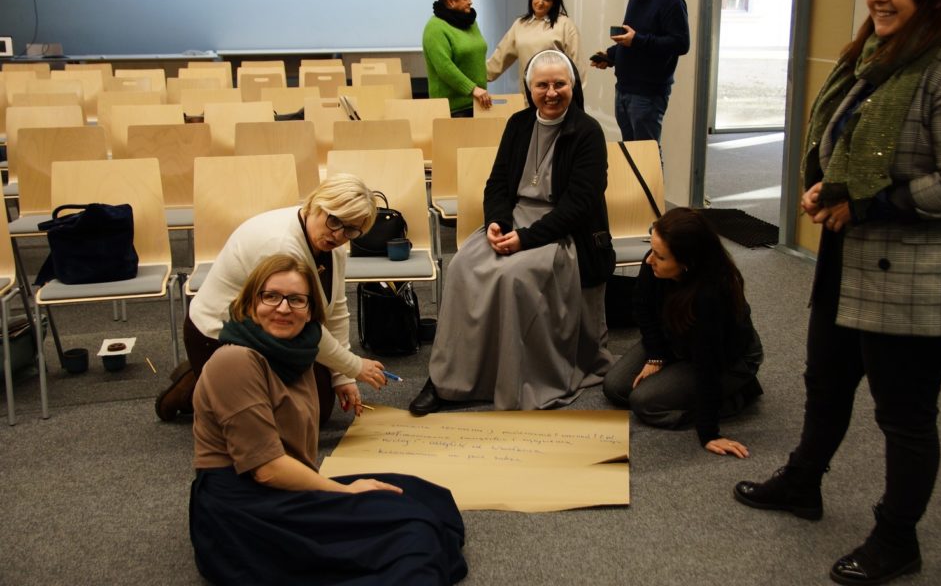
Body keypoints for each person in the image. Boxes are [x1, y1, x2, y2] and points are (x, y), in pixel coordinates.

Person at [733, 0, 941, 585]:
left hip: (915, 275)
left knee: (904, 416)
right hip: (849, 257)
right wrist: (826, 187)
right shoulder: (878, 56)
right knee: (826, 381)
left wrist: (864, 204)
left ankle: (897, 540)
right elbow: (844, 142)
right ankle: (803, 482)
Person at [189, 254, 468, 585]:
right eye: (271, 296)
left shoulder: (296, 352)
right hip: (244, 506)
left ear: (310, 311)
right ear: (251, 303)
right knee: (414, 534)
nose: (283, 308)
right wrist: (343, 492)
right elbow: (266, 469)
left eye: (296, 299)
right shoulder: (235, 361)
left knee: (426, 496)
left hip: (281, 483)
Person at [409, 49, 615, 415]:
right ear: (529, 89)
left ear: (573, 86)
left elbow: (579, 205)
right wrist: (497, 223)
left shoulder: (588, 132)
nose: (551, 93)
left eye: (560, 84)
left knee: (513, 275)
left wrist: (526, 239)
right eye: (542, 85)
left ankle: (511, 378)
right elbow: (498, 183)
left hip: (562, 232)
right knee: (462, 266)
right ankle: (447, 378)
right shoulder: (518, 124)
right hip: (514, 221)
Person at [155, 174, 389, 424]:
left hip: (277, 327)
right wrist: (353, 366)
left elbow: (336, 310)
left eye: (351, 230)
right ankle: (198, 383)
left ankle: (213, 380)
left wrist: (343, 377)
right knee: (282, 419)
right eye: (334, 221)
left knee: (317, 410)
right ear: (316, 204)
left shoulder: (333, 245)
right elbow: (303, 324)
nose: (339, 235)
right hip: (219, 335)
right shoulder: (281, 245)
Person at [603, 208, 763, 458]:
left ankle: (738, 394)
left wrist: (709, 432)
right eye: (652, 250)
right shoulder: (654, 262)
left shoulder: (711, 296)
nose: (649, 260)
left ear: (687, 264)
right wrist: (656, 356)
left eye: (660, 257)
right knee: (615, 388)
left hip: (726, 358)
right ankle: (675, 378)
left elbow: (708, 364)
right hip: (675, 337)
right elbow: (642, 307)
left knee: (644, 403)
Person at [589, 0, 690, 144]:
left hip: (647, 94)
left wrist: (637, 40)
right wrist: (610, 56)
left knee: (646, 154)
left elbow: (681, 43)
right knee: (630, 153)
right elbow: (633, 39)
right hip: (624, 89)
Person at [486, 0, 581, 83]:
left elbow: (577, 64)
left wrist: (577, 91)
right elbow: (499, 58)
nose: (540, 2)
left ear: (553, 3)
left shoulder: (565, 25)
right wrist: (474, 80)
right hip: (527, 91)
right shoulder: (520, 24)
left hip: (554, 91)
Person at [423, 0, 492, 117]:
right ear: (450, 2)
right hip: (452, 109)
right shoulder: (435, 28)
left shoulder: (470, 22)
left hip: (477, 103)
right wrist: (472, 89)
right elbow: (445, 67)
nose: (470, 2)